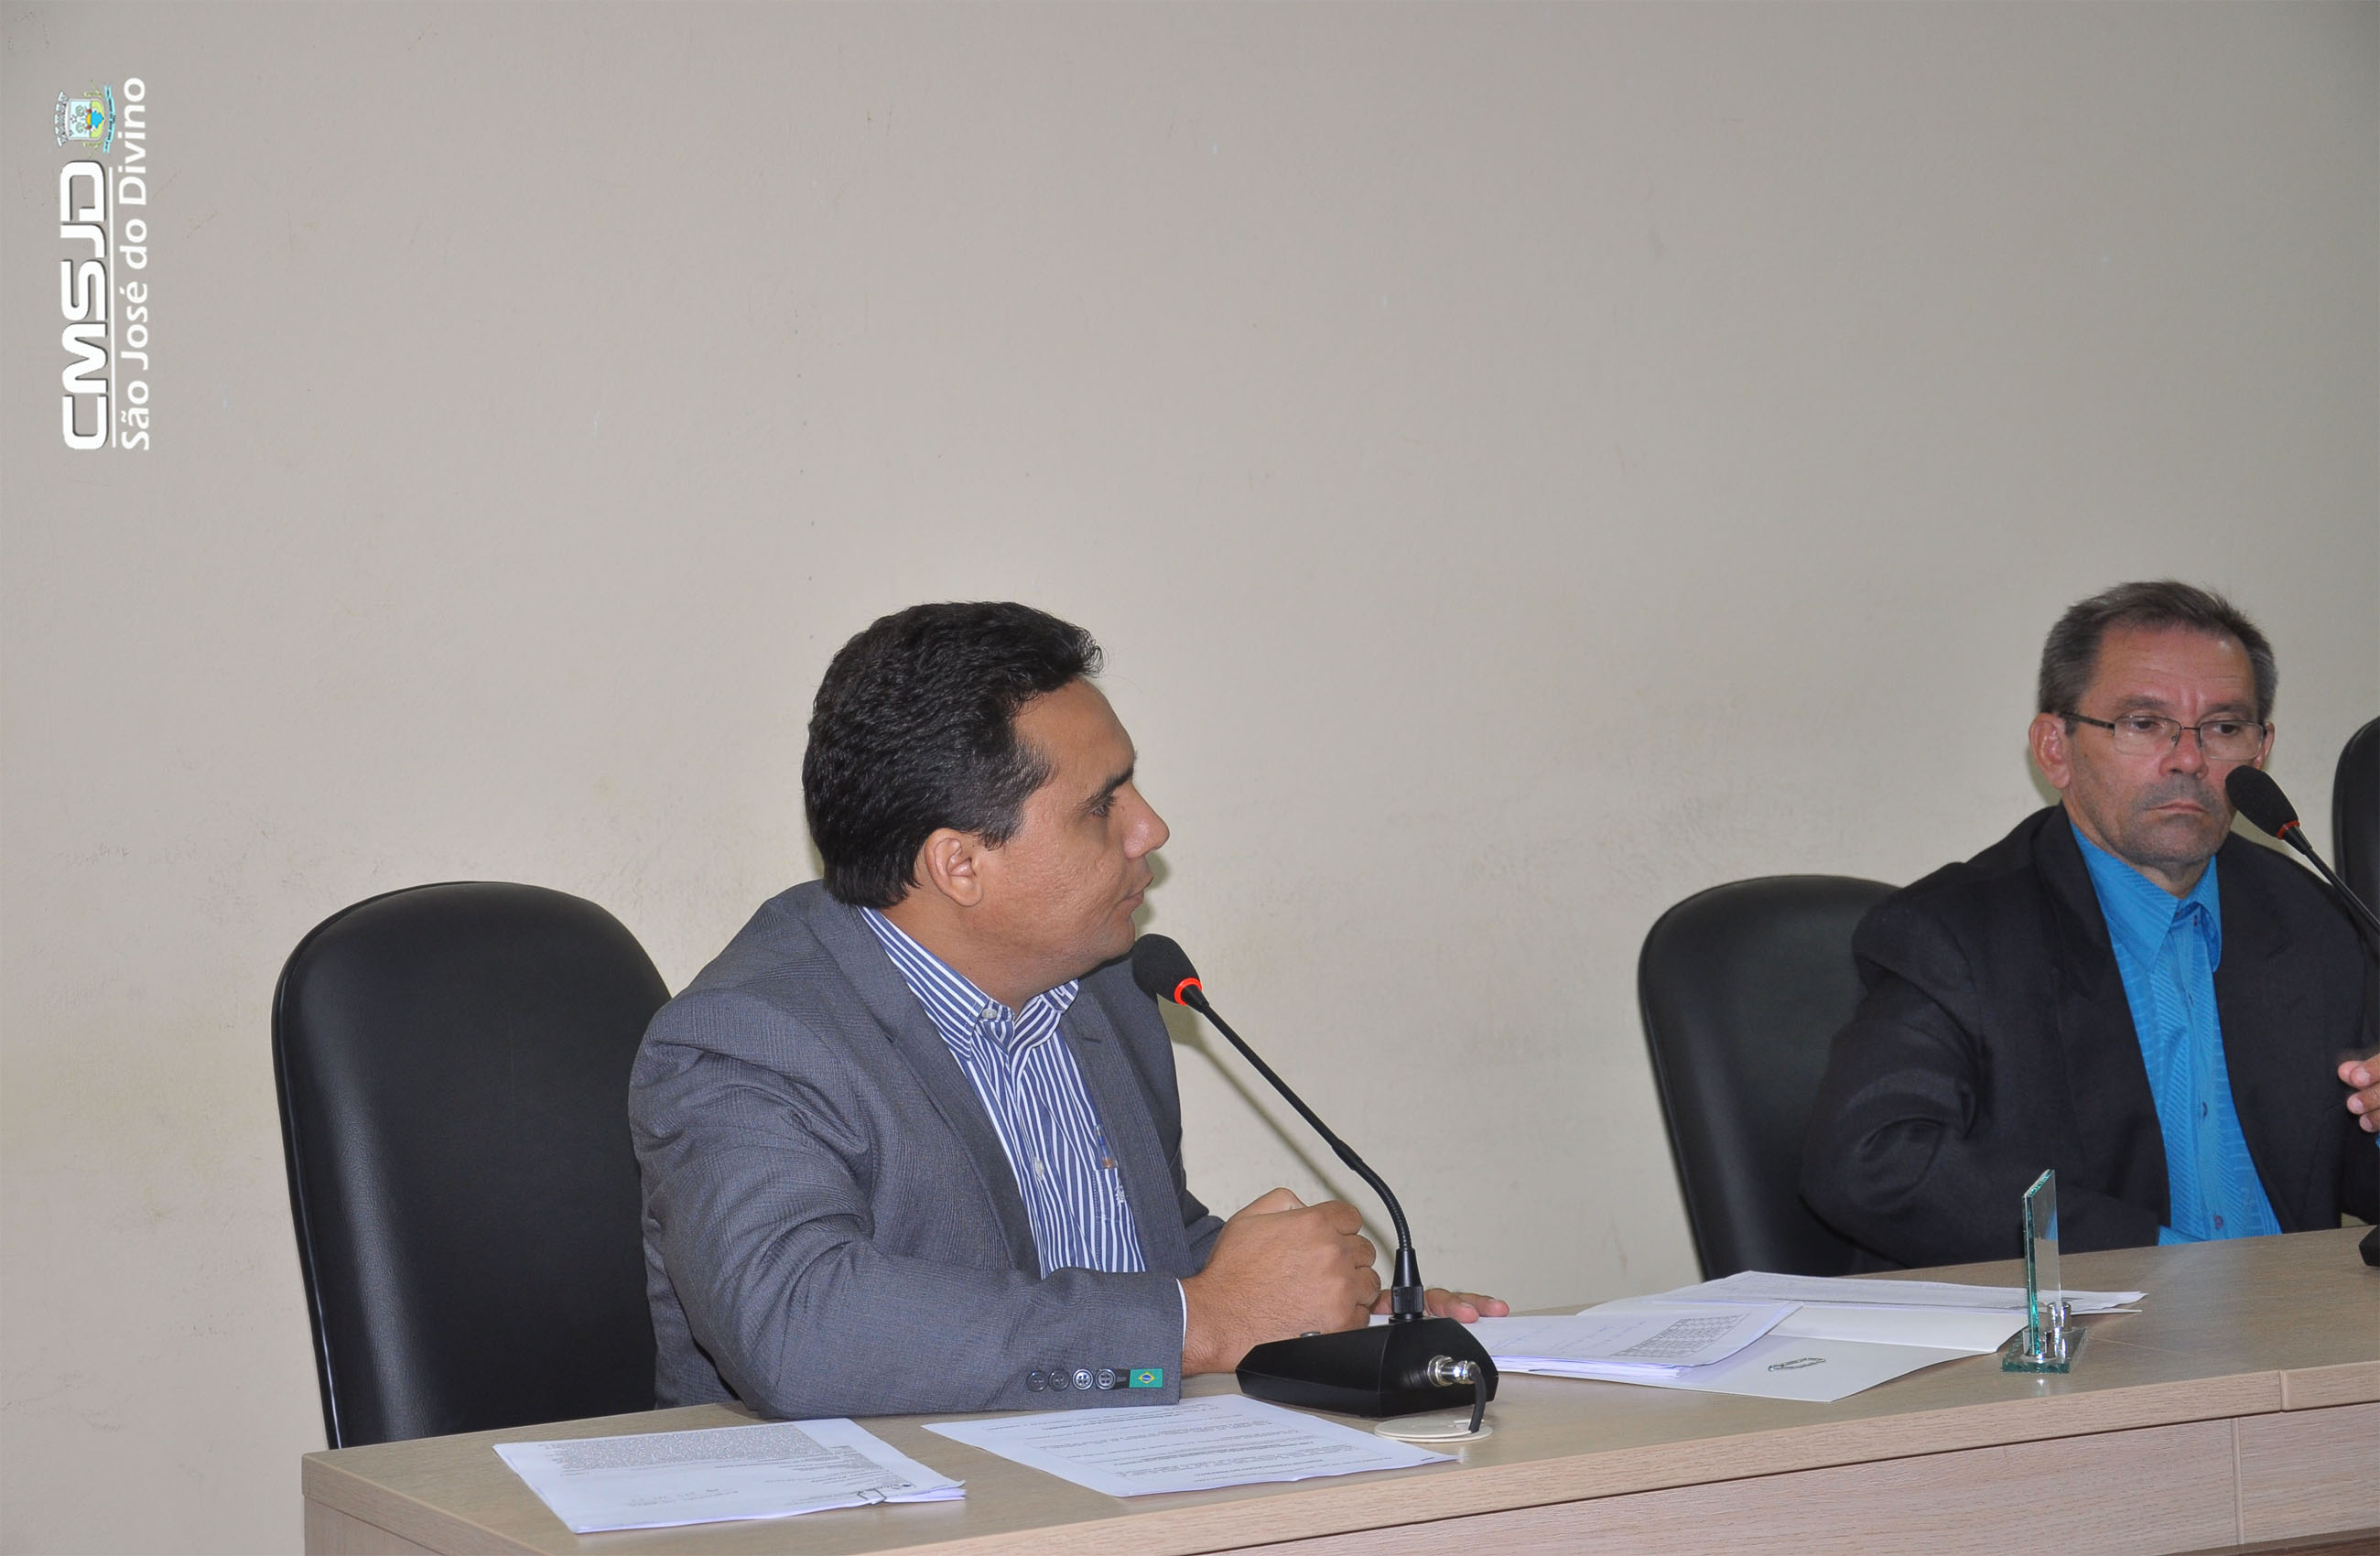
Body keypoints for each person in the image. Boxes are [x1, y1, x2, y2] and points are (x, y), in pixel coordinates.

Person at [630, 601, 1504, 1420]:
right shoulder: (750, 1040)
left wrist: (1316, 1314)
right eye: (1101, 805)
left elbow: (1133, 1259)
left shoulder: (1103, 984)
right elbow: (798, 1329)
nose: (1150, 829)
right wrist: (1200, 1322)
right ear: (960, 865)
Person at [1801, 581, 2378, 1269]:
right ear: (2055, 748)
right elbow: (1871, 1161)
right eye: (2144, 723)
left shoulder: (2312, 917)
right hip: (2097, 1325)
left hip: (2303, 1321)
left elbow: (2349, 1168)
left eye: (2225, 727)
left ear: (2261, 750)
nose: (2189, 759)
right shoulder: (1956, 935)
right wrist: (2156, 1263)